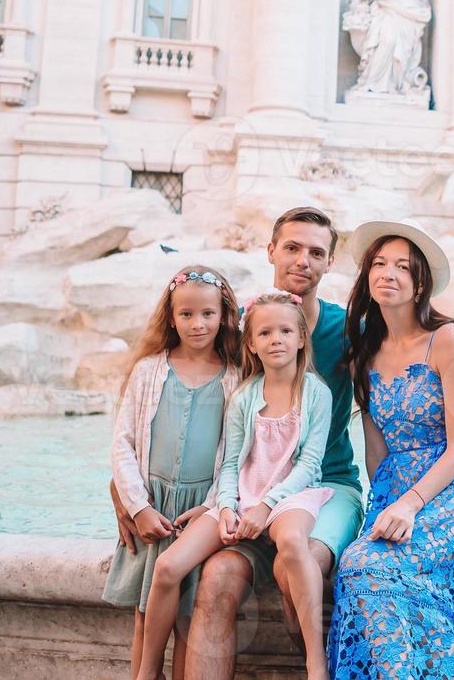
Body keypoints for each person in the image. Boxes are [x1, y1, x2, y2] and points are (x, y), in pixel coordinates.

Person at [110, 206, 454, 679]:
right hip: (248, 492)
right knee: (216, 580)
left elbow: (416, 362)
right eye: (291, 248)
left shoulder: (354, 330)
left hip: (325, 488)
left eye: (315, 252)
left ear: (330, 263)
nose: (302, 261)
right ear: (271, 251)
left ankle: (307, 645)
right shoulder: (246, 325)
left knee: (300, 563)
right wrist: (126, 491)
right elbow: (177, 393)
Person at [328, 219, 454, 678]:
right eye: (379, 264)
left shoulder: (444, 338)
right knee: (357, 567)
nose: (388, 274)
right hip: (397, 490)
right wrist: (383, 508)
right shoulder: (363, 351)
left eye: (402, 268)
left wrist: (410, 505)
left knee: (372, 569)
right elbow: (377, 454)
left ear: (419, 283)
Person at [135, 289, 335, 680]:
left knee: (293, 542)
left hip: (290, 496)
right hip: (242, 496)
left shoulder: (316, 393)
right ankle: (145, 673)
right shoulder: (244, 396)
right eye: (264, 334)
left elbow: (310, 465)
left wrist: (266, 507)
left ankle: (316, 662)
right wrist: (226, 506)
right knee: (167, 566)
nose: (275, 339)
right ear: (252, 344)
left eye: (284, 331)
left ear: (300, 339)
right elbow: (230, 463)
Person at [102, 266, 244, 680]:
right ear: (171, 317)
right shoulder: (149, 370)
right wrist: (137, 505)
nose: (197, 324)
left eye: (207, 314)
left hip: (198, 513)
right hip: (156, 508)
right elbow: (122, 444)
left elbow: (237, 453)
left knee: (188, 620)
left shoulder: (236, 376)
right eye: (186, 314)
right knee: (145, 617)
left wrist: (213, 506)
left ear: (223, 316)